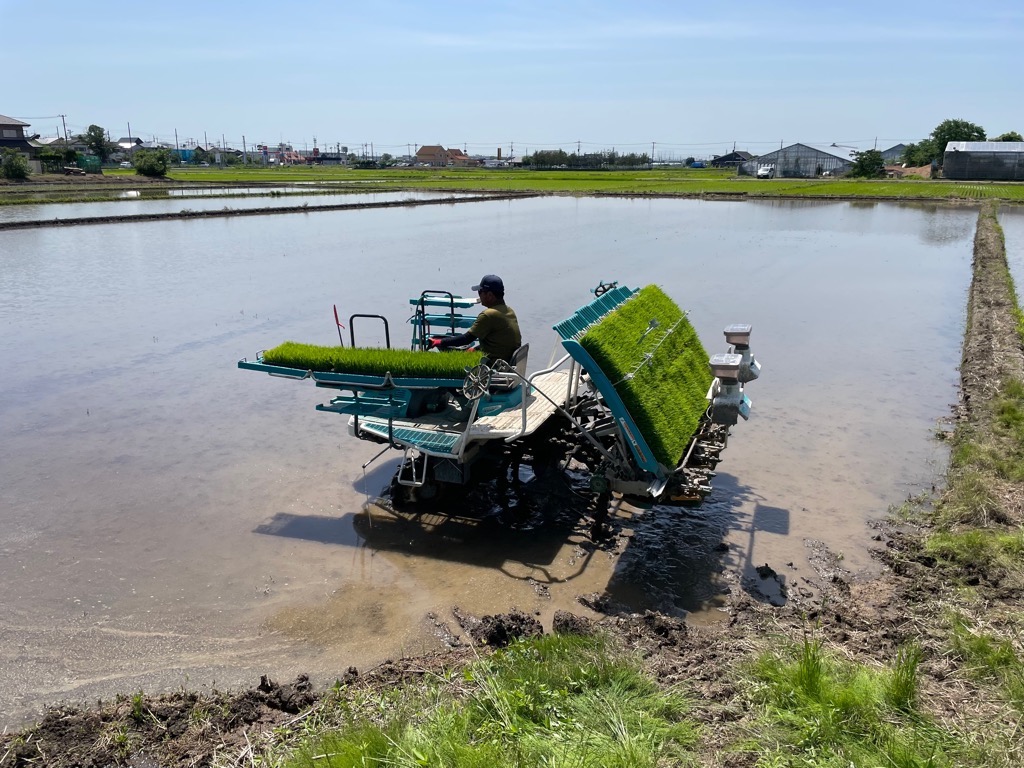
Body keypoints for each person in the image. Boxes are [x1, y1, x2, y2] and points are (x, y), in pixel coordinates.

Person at [430, 274, 522, 363]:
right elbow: (497, 342)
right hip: (506, 362)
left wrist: (439, 342)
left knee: (448, 359)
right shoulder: (509, 311)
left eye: (480, 292)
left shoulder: (489, 315)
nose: (479, 296)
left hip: (493, 365)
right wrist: (475, 349)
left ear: (489, 295)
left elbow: (466, 339)